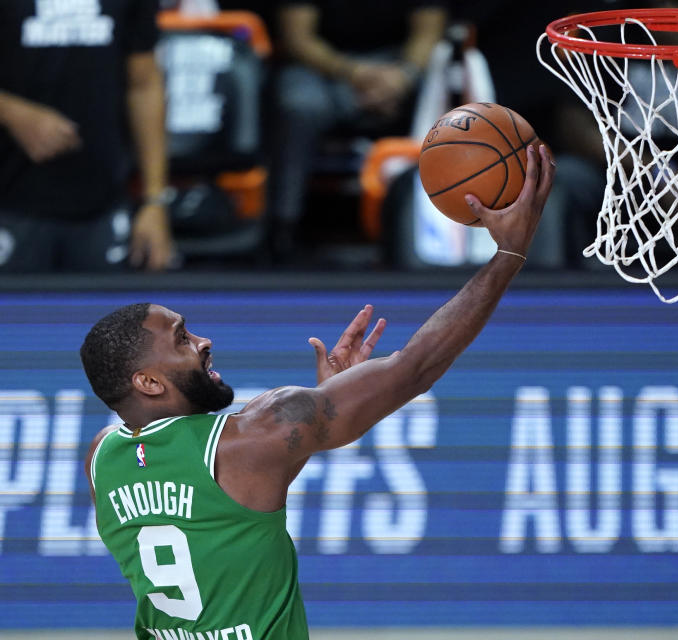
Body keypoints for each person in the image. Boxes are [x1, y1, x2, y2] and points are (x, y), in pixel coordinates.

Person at [81, 144, 553, 639]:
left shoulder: (102, 458)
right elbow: (415, 368)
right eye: (182, 339)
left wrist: (329, 401)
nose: (203, 342)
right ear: (149, 382)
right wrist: (509, 254)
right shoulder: (259, 432)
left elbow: (227, 505)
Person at [0, 0, 174, 272]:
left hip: (102, 201)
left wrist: (154, 201)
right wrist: (11, 112)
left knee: (109, 313)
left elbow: (144, 84)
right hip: (10, 199)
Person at [267, 0, 447, 260]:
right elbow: (298, 38)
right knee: (298, 102)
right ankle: (283, 227)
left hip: (400, 68)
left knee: (448, 94)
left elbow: (428, 33)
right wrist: (355, 72)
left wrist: (402, 78)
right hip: (326, 68)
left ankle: (437, 225)